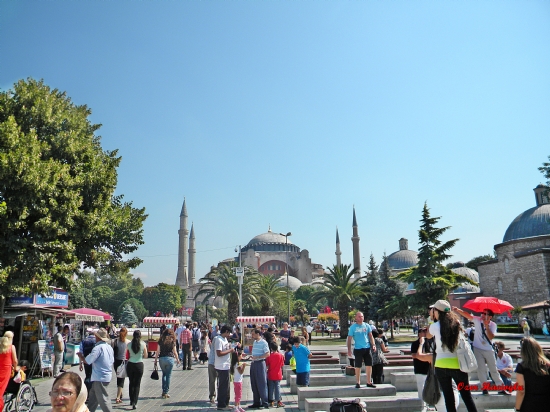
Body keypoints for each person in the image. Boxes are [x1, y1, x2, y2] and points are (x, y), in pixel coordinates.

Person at [427, 300, 477, 412]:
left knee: (449, 398)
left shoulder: (434, 326)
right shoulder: (456, 323)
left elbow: (428, 336)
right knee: (467, 396)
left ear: (436, 311)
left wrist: (433, 319)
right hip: (458, 365)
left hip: (441, 365)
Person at [453, 306, 508, 395]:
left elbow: (491, 337)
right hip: (477, 348)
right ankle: (484, 388)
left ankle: (501, 388)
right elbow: (467, 315)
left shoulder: (493, 325)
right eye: (482, 313)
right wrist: (458, 310)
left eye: (485, 314)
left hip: (489, 349)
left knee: (493, 369)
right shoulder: (478, 320)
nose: (483, 315)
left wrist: (487, 326)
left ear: (490, 317)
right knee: (481, 369)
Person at [412, 326, 458, 411]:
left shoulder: (434, 356)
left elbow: (419, 355)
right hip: (452, 389)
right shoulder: (452, 354)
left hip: (440, 391)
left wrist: (421, 344)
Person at [77, 328, 115, 412]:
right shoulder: (109, 347)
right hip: (105, 375)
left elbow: (88, 361)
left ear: (97, 337)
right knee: (93, 397)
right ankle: (89, 410)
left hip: (99, 376)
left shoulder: (98, 348)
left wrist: (81, 357)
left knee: (103, 399)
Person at [515, 337, 550, 411]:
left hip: (529, 405)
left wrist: (517, 408)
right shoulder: (548, 365)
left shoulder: (521, 367)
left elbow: (521, 390)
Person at [347, 311, 377, 388]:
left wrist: (373, 345)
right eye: (359, 316)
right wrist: (349, 350)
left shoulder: (367, 326)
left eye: (362, 316)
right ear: (356, 318)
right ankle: (358, 382)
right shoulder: (352, 327)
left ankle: (369, 382)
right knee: (358, 366)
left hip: (367, 348)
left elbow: (371, 336)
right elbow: (349, 339)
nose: (361, 318)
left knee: (369, 365)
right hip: (358, 349)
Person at [155, 328, 180, 399]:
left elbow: (157, 351)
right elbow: (175, 352)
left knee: (164, 374)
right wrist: (178, 360)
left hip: (162, 359)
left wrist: (155, 360)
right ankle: (166, 392)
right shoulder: (172, 341)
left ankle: (163, 391)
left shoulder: (161, 341)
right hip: (170, 359)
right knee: (168, 375)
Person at [248, 328, 270, 409]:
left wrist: (259, 357)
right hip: (254, 363)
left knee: (261, 383)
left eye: (253, 334)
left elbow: (268, 354)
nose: (252, 336)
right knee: (254, 383)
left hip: (260, 363)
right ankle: (256, 402)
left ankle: (265, 402)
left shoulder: (264, 342)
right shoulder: (254, 342)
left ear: (258, 334)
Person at [214, 325, 235, 411]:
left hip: (226, 365)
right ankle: (221, 404)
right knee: (222, 386)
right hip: (221, 366)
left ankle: (226, 402)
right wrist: (230, 350)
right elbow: (219, 353)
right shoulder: (218, 340)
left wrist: (230, 347)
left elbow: (225, 349)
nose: (229, 335)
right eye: (228, 333)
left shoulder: (225, 339)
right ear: (226, 331)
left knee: (227, 386)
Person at [127, 330, 147, 410]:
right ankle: (135, 401)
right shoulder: (143, 344)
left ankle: (131, 400)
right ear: (140, 336)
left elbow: (127, 355)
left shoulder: (129, 344)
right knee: (137, 384)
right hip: (139, 364)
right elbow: (145, 356)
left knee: (131, 383)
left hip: (130, 364)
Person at [0, 331, 19, 412]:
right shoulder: (11, 347)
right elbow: (15, 360)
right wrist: (16, 368)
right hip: (6, 369)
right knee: (2, 387)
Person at [112, 326, 130, 404]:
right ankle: (118, 397)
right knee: (121, 380)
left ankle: (120, 393)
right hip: (124, 362)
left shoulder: (115, 341)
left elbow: (112, 352)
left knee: (118, 378)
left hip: (116, 362)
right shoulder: (128, 342)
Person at [266, 341, 285, 407]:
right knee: (277, 387)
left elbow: (267, 365)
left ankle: (271, 401)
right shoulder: (281, 355)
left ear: (271, 348)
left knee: (271, 387)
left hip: (271, 374)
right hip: (278, 373)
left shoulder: (269, 356)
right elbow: (282, 364)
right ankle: (278, 401)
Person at [79, 330, 96, 399]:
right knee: (93, 377)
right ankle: (91, 393)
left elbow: (81, 352)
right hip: (94, 361)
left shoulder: (83, 341)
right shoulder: (96, 341)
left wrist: (80, 364)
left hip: (85, 360)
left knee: (88, 376)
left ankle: (86, 393)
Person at [208, 324, 219, 404]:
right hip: (215, 363)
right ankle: (214, 396)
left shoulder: (215, 339)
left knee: (212, 381)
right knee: (216, 380)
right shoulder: (218, 340)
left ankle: (213, 396)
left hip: (212, 362)